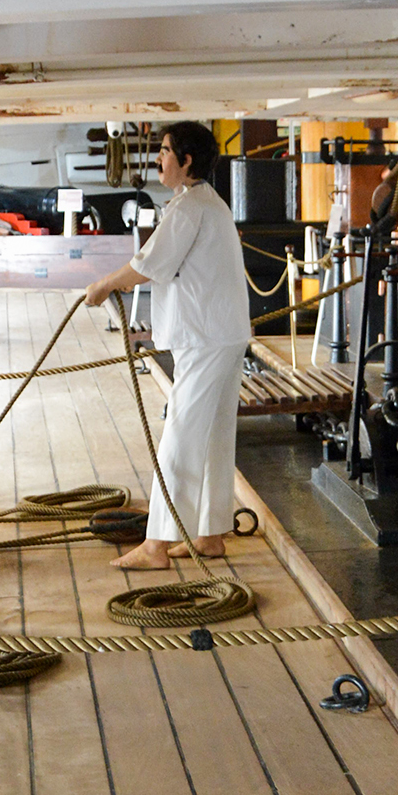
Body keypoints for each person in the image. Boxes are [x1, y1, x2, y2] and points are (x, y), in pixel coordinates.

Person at [83, 121, 250, 569]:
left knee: (178, 435)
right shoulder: (205, 204)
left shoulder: (190, 208)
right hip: (224, 334)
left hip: (205, 338)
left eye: (164, 150)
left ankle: (156, 545)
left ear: (187, 160)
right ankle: (211, 534)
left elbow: (147, 265)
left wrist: (103, 285)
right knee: (214, 435)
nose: (158, 158)